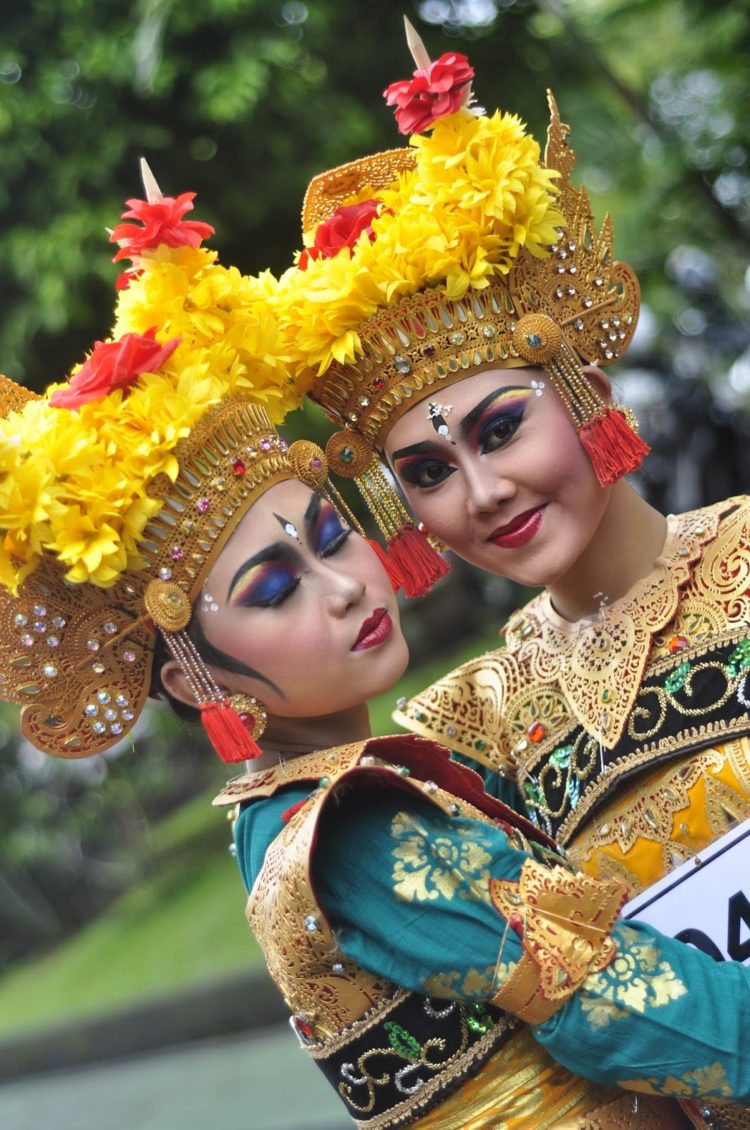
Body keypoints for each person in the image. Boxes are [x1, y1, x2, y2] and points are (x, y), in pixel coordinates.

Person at [2, 172, 748, 1130]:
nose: (347, 584)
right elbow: (610, 1010)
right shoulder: (448, 742)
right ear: (190, 674)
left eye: (327, 538)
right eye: (428, 471)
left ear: (589, 393)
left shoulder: (393, 775)